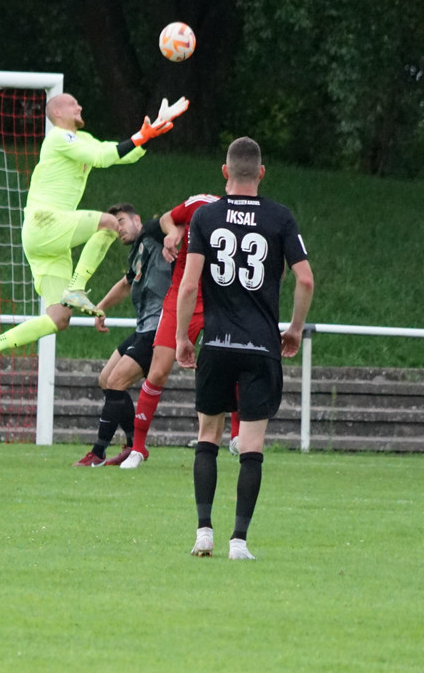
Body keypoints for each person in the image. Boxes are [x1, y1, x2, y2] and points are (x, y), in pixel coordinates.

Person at [0, 93, 188, 369]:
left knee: (58, 318)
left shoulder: (81, 140)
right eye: (74, 103)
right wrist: (141, 136)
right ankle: (76, 287)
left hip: (46, 243)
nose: (80, 106)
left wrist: (150, 132)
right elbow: (101, 156)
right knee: (112, 223)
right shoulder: (59, 138)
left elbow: (118, 156)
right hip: (44, 222)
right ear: (59, 113)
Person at [176, 137, 314, 560]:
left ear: (225, 172)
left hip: (216, 342)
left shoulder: (206, 216)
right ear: (261, 173)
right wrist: (292, 328)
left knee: (207, 436)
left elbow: (187, 285)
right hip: (260, 345)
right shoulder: (279, 217)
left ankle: (204, 533)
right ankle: (239, 541)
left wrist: (183, 337)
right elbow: (306, 279)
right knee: (251, 445)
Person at [119, 193, 241, 470]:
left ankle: (236, 436)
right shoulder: (199, 204)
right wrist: (174, 232)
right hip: (179, 299)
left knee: (229, 363)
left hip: (218, 301)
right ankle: (137, 448)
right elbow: (166, 218)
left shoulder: (242, 218)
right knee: (158, 371)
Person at [72, 203, 172, 467]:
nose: (118, 229)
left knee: (116, 382)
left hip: (159, 328)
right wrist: (101, 307)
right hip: (143, 328)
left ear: (136, 219)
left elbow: (174, 219)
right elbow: (126, 283)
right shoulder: (137, 254)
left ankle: (98, 452)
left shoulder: (152, 232)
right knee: (106, 380)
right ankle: (132, 446)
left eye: (121, 221)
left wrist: (174, 233)